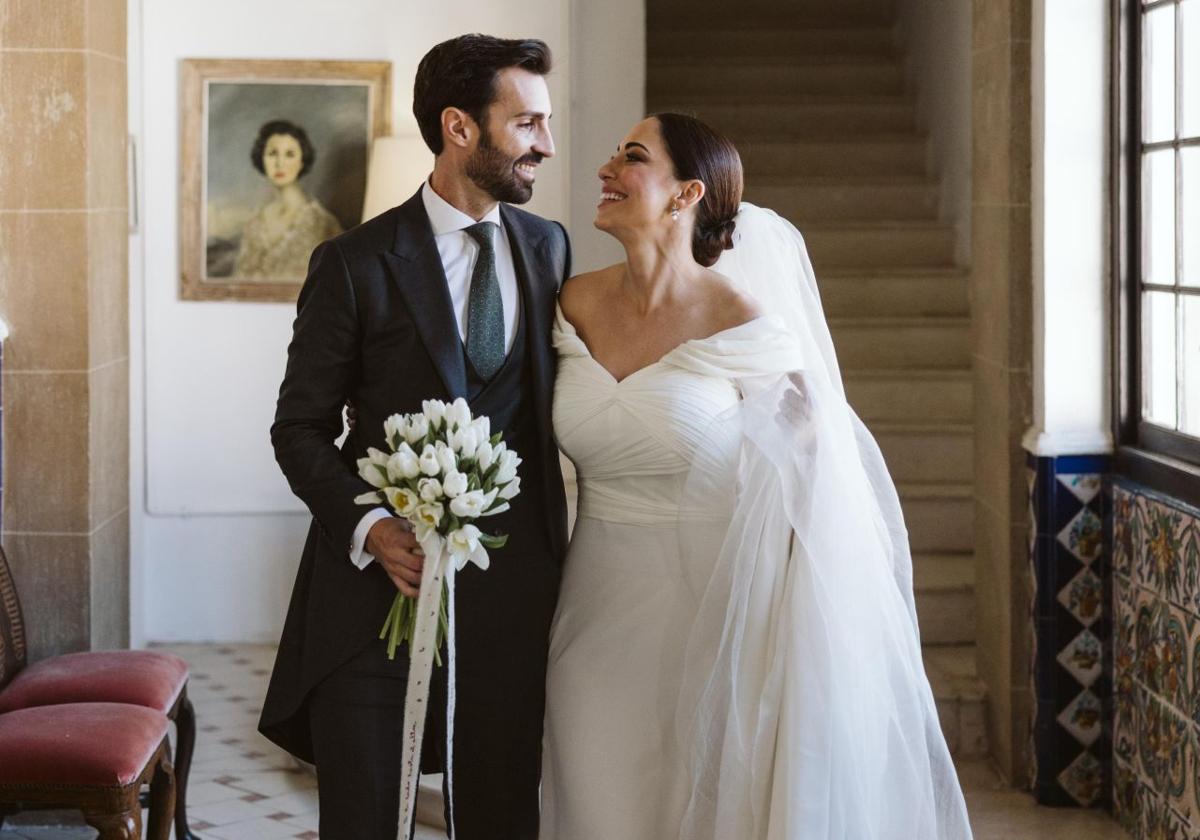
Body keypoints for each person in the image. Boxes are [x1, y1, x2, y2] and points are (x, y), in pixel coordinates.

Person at [541, 113, 974, 839]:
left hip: (712, 609)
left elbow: (816, 467)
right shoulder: (571, 303)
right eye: (615, 153)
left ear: (686, 195)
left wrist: (802, 625)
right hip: (590, 601)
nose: (606, 168)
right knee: (594, 793)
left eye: (633, 157)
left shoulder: (738, 318)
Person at [259, 35, 570, 840]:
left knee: (503, 811)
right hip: (372, 600)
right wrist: (373, 528)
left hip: (512, 599)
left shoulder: (549, 249)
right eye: (528, 122)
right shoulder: (355, 264)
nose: (546, 143)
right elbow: (298, 428)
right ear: (460, 127)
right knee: (364, 816)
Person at [234, 119, 343, 279]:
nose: (280, 163)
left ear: (302, 161)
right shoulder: (254, 224)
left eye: (290, 154)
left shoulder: (323, 223)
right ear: (262, 159)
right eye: (272, 153)